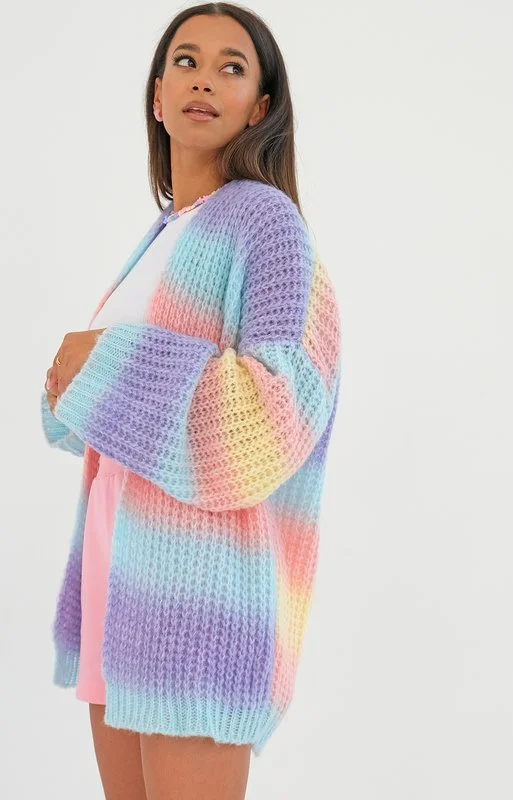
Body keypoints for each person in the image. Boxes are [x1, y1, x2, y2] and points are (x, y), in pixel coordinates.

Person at [41, 4, 341, 799]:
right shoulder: (166, 232)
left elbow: (277, 412)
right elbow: (88, 411)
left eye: (231, 67)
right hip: (116, 584)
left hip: (196, 602)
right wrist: (81, 379)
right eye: (185, 60)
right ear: (156, 95)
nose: (204, 78)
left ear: (260, 107)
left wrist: (103, 363)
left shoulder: (265, 224)